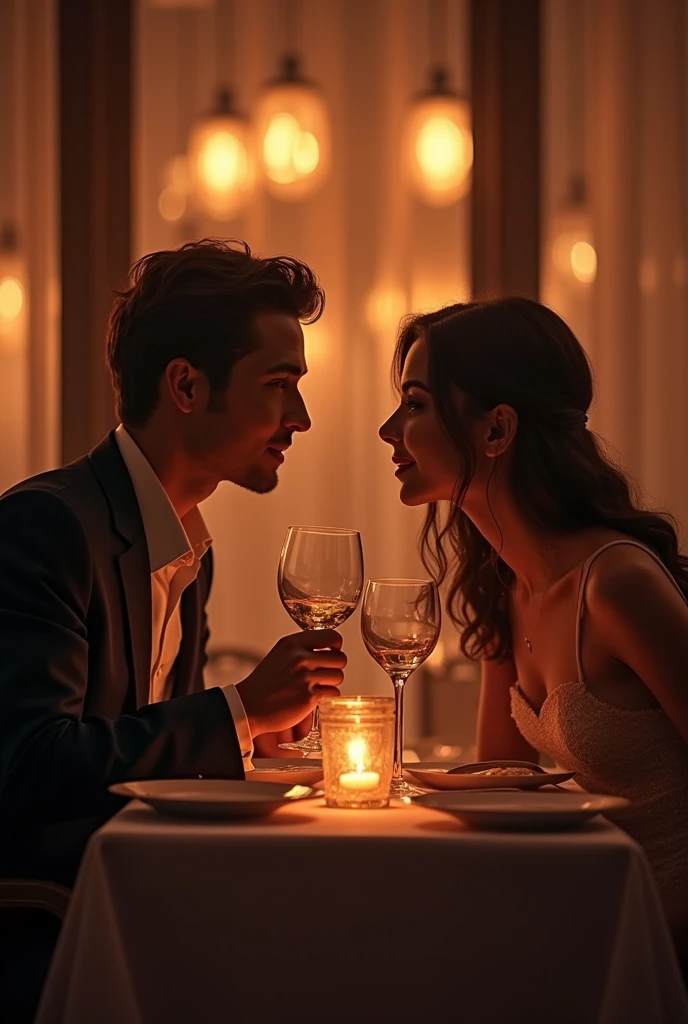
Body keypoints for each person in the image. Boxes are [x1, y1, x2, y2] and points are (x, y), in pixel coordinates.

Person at [0, 238, 346, 890]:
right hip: (50, 921)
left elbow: (145, 753)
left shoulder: (187, 552)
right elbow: (29, 766)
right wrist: (237, 710)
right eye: (277, 385)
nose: (299, 418)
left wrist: (248, 740)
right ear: (185, 385)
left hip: (149, 890)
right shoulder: (47, 527)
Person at [379, 297, 688, 964]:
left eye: (415, 404)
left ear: (496, 430)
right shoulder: (506, 586)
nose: (387, 429)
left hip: (668, 933)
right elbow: (503, 778)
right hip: (595, 916)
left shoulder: (616, 583)